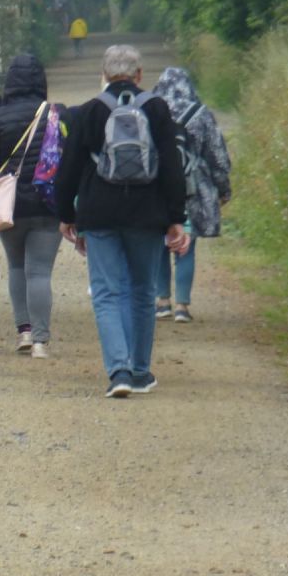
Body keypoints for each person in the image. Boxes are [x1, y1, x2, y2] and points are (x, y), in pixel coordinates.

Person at [54, 44, 190, 398]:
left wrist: (66, 214)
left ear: (104, 73)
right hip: (148, 214)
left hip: (99, 213)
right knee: (143, 292)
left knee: (106, 293)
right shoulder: (157, 109)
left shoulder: (90, 111)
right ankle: (141, 371)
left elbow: (68, 168)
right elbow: (172, 167)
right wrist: (176, 217)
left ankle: (119, 371)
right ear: (139, 74)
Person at [0, 54, 64, 358]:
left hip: (9, 205)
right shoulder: (56, 114)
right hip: (47, 205)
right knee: (39, 272)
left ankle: (24, 331)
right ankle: (40, 340)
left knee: (16, 266)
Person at [150, 66, 233, 323]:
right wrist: (223, 189)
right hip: (194, 188)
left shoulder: (150, 111)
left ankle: (162, 302)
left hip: (157, 185)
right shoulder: (201, 113)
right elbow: (217, 155)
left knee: (159, 242)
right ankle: (182, 307)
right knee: (186, 244)